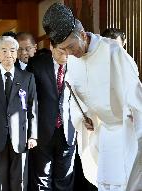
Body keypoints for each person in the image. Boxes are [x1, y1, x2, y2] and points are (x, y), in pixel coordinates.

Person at [43, 3, 142, 191]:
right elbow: (77, 97)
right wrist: (84, 117)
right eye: (63, 50)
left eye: (70, 47)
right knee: (105, 183)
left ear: (82, 35)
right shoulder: (73, 60)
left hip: (125, 129)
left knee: (128, 183)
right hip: (103, 131)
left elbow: (134, 93)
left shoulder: (112, 52)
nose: (69, 54)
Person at [0, 36, 38, 191]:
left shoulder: (27, 77)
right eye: (4, 51)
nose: (8, 54)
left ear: (16, 54)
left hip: (21, 137)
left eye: (12, 50)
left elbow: (33, 108)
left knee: (20, 181)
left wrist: (33, 135)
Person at [26, 42, 76, 190]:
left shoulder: (78, 65)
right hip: (43, 129)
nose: (65, 54)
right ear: (51, 47)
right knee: (42, 177)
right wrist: (32, 132)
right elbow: (30, 100)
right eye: (61, 50)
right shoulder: (37, 65)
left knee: (65, 177)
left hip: (68, 128)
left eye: (69, 50)